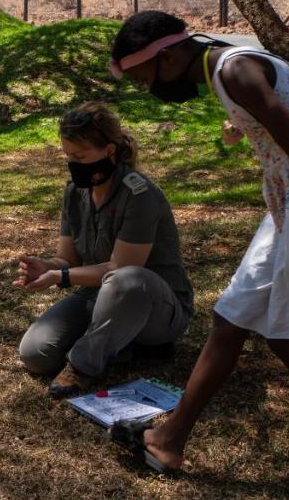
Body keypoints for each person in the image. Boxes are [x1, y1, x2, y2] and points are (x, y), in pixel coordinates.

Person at [109, 10, 289, 492]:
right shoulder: (226, 71)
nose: (145, 88)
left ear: (169, 57)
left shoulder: (234, 70)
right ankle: (171, 438)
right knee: (235, 318)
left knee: (276, 333)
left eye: (142, 77)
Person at [15, 102, 194, 397]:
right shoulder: (75, 192)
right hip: (98, 295)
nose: (73, 164)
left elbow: (118, 269)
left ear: (109, 151)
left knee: (126, 280)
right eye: (68, 156)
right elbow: (67, 259)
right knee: (37, 353)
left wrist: (60, 276)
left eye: (81, 156)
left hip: (156, 306)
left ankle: (83, 366)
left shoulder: (140, 194)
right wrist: (45, 266)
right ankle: (120, 345)